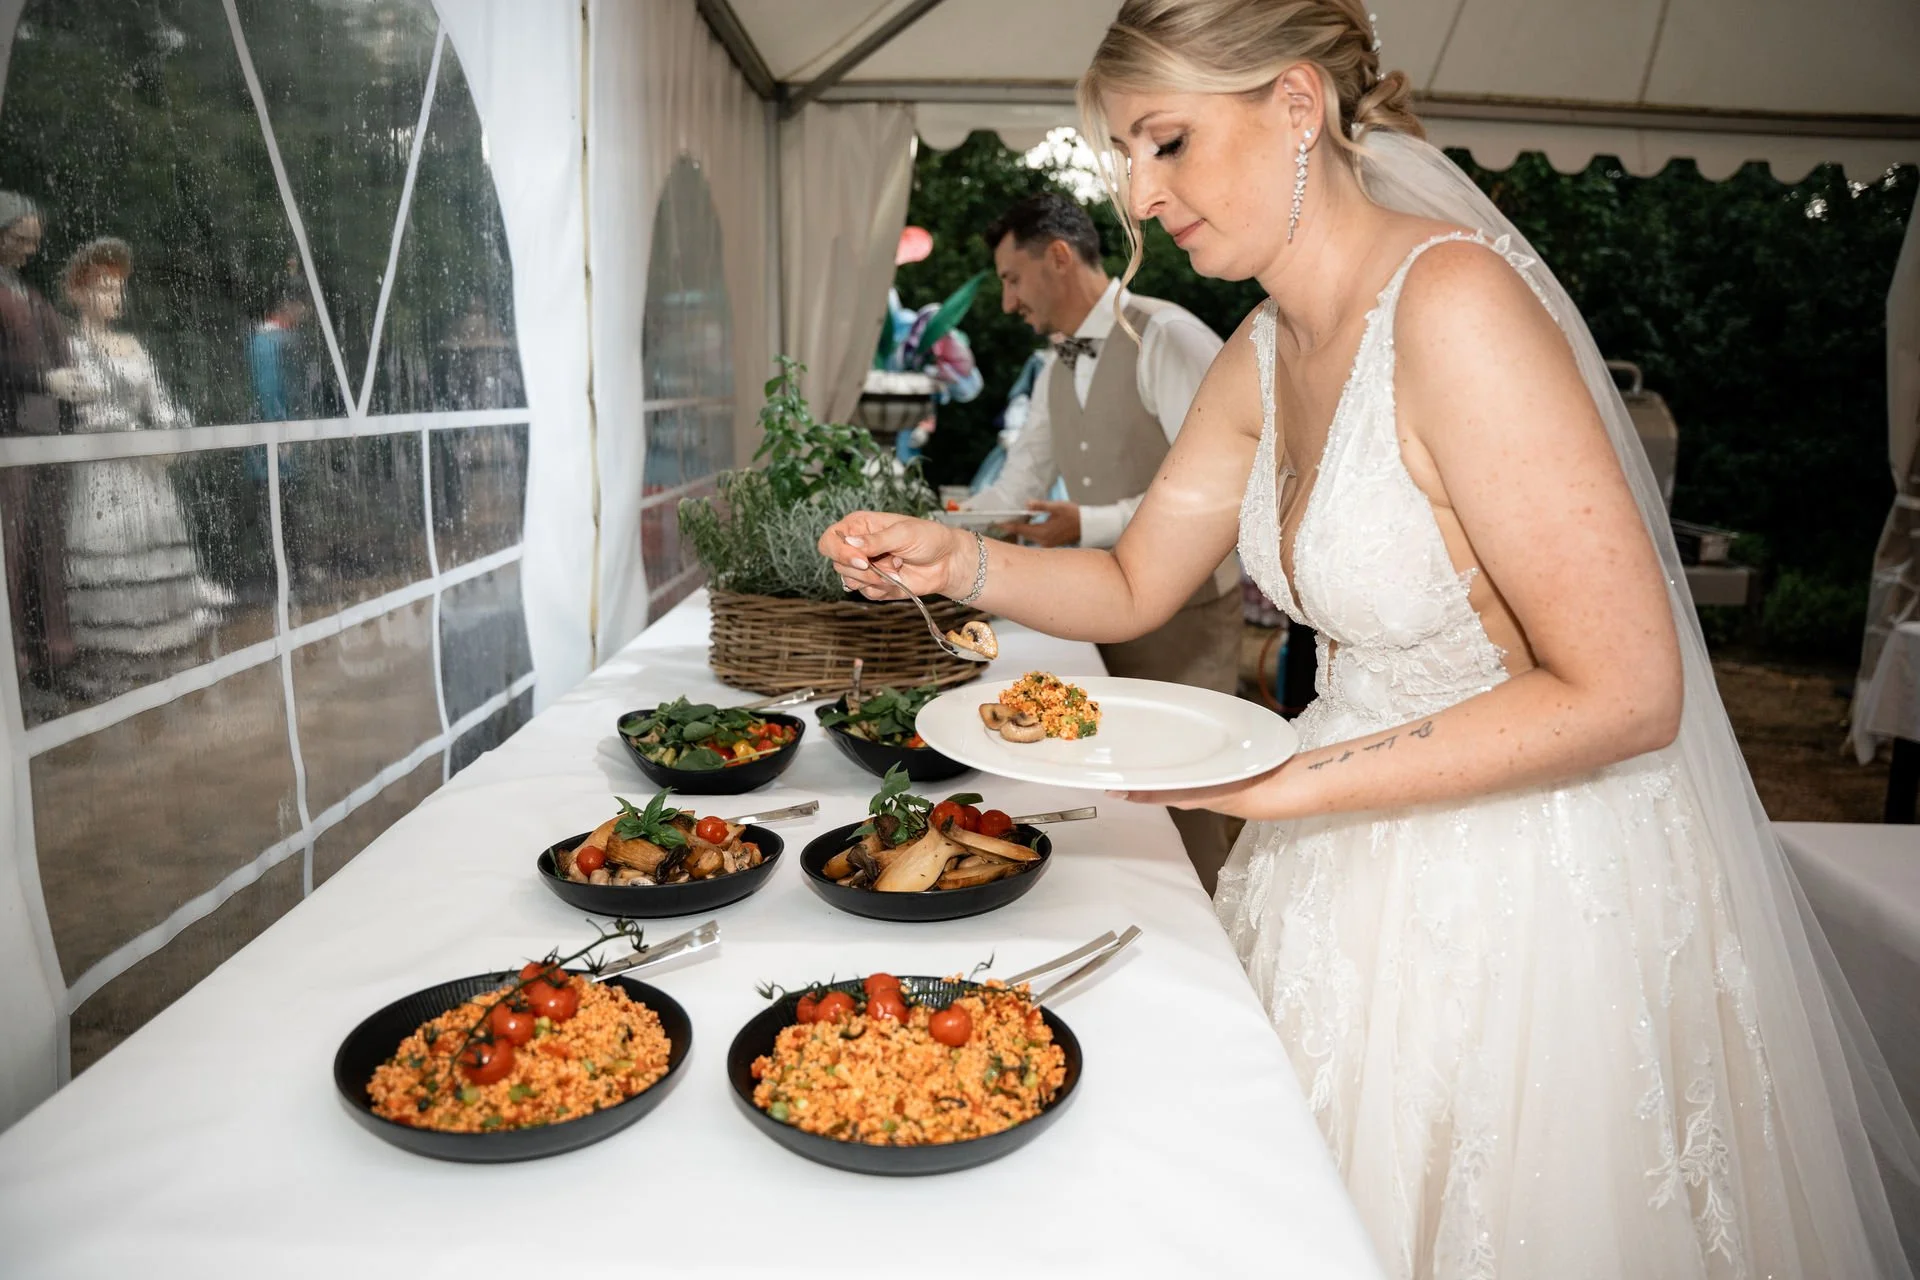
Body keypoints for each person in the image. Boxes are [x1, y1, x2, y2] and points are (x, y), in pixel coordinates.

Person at [822, 2, 1920, 1275]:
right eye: (1127, 153)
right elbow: (1133, 580)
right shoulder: (1264, 344)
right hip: (1331, 856)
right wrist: (966, 561)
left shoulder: (1454, 305)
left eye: (1165, 143)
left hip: (1524, 887)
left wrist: (1283, 778)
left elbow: (1628, 689)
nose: (1138, 194)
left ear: (1297, 105)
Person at [965, 191, 1241, 891]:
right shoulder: (1059, 361)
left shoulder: (1166, 335)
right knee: (1117, 792)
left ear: (1058, 258)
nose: (1006, 302)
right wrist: (929, 529)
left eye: (1011, 278)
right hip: (1099, 613)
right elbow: (1017, 481)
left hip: (1186, 615)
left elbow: (1231, 482)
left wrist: (1087, 525)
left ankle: (1216, 951)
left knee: (1188, 794)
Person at [58, 238, 229, 698]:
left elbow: (158, 398)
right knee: (114, 560)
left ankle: (165, 655)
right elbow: (91, 412)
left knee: (157, 553)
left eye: (117, 290)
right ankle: (116, 662)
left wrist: (173, 425)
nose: (113, 298)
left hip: (147, 473)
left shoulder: (132, 345)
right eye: (102, 289)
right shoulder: (72, 346)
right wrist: (136, 437)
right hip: (105, 471)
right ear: (78, 293)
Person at [0, 191, 80, 689]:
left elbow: (60, 352)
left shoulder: (28, 293)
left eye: (34, 241)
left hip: (43, 437)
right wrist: (43, 380)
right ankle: (14, 673)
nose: (30, 249)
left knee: (47, 552)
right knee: (10, 551)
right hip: (8, 442)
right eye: (20, 239)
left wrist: (74, 392)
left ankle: (55, 662)